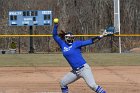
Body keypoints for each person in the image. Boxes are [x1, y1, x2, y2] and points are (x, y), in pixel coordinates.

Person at [52, 18, 112, 93]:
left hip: (84, 69)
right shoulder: (62, 44)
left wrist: (100, 36)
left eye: (72, 38)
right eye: (69, 38)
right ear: (65, 38)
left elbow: (90, 41)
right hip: (75, 72)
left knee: (92, 85)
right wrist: (55, 25)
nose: (70, 40)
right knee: (62, 83)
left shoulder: (76, 44)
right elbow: (54, 35)